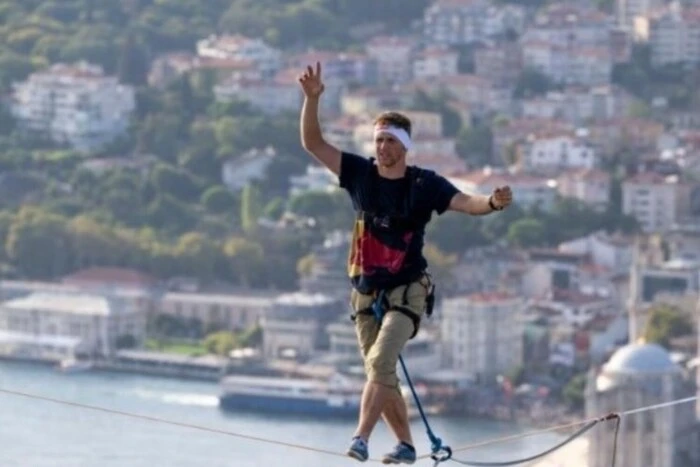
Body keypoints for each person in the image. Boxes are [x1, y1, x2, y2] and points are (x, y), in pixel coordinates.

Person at [297, 62, 513, 465]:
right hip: (364, 292)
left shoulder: (423, 184)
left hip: (407, 290)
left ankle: (360, 438)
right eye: (378, 140)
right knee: (381, 375)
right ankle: (407, 446)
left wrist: (492, 203)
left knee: (380, 362)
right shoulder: (359, 174)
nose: (381, 147)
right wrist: (312, 100)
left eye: (389, 141)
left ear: (404, 146)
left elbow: (466, 202)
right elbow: (313, 143)